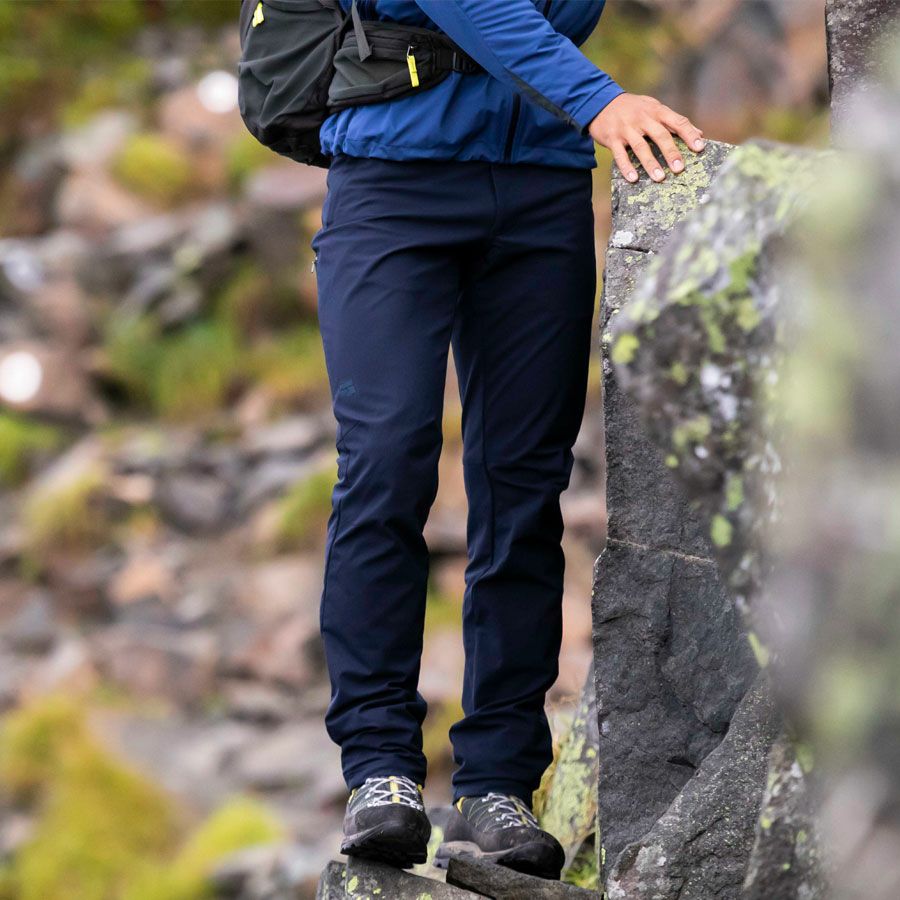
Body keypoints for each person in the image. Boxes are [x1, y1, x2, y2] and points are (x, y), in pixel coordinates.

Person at [311, 0, 705, 880]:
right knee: (384, 462)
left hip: (540, 186)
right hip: (394, 179)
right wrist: (601, 101)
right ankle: (379, 768)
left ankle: (497, 783)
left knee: (524, 486)